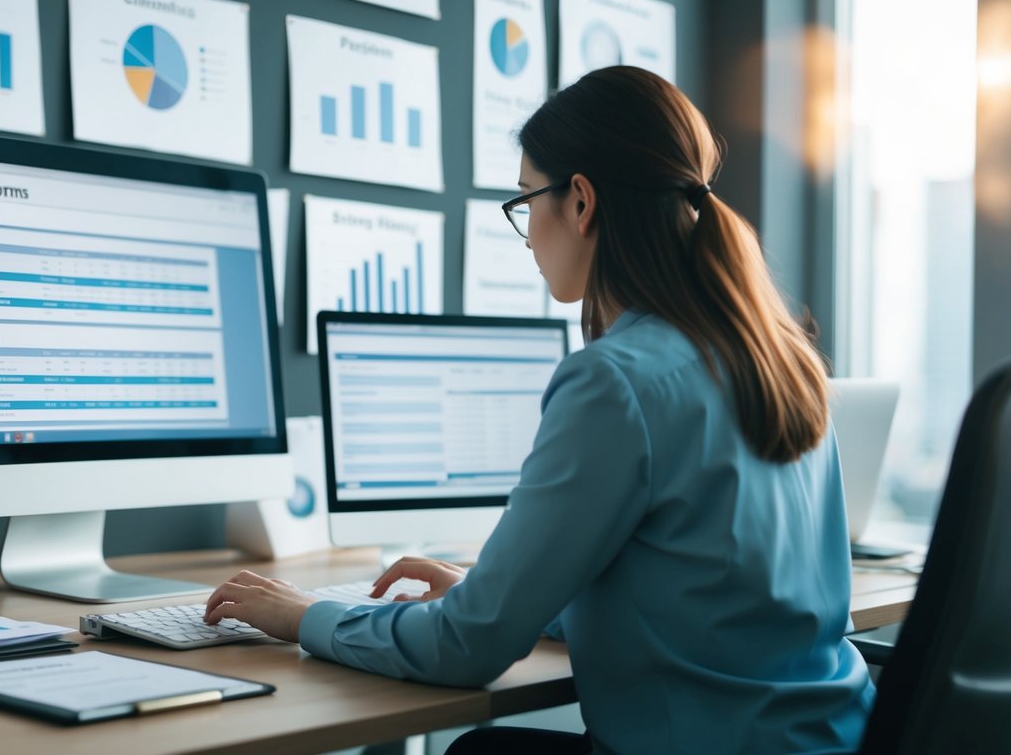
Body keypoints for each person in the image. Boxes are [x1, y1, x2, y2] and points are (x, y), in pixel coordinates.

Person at [203, 66, 875, 754]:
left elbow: (465, 650)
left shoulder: (615, 380)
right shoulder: (776, 356)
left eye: (526, 201)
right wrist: (491, 594)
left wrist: (306, 615)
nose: (526, 233)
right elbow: (702, 600)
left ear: (579, 201)